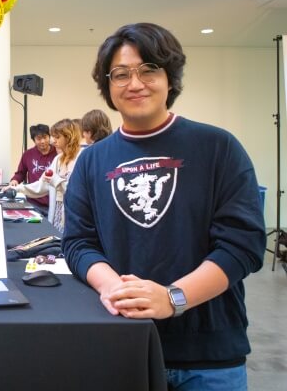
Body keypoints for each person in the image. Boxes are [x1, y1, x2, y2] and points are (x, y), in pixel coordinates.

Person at [62, 23, 265, 391]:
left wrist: (173, 297)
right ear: (108, 87)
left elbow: (242, 246)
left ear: (170, 78)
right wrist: (112, 288)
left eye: (149, 69)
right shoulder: (92, 162)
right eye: (120, 74)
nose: (134, 83)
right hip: (121, 343)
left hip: (208, 354)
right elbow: (78, 242)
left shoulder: (218, 147)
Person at [12, 119, 82, 232]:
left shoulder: (81, 158)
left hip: (73, 217)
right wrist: (17, 188)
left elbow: (77, 192)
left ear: (68, 137)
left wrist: (56, 181)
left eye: (57, 137)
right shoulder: (58, 159)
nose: (53, 141)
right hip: (56, 215)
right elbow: (42, 185)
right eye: (53, 137)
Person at [8, 124, 57, 215]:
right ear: (33, 140)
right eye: (38, 139)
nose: (42, 141)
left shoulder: (57, 153)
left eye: (45, 137)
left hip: (53, 203)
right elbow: (20, 173)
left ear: (49, 137)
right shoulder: (28, 154)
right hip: (34, 203)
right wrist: (15, 180)